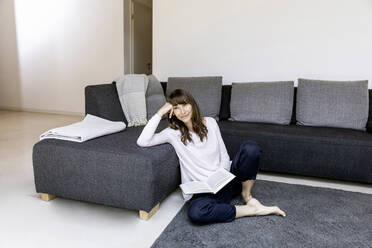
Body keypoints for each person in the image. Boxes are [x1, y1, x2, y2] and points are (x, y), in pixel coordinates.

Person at [137, 89, 286, 224]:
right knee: (196, 213)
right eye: (176, 108)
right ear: (172, 113)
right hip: (203, 189)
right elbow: (143, 141)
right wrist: (160, 112)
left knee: (251, 148)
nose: (182, 111)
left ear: (192, 104)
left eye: (184, 105)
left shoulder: (211, 122)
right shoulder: (172, 133)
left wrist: (221, 176)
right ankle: (252, 210)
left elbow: (223, 153)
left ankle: (247, 197)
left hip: (225, 179)